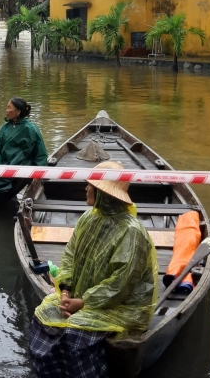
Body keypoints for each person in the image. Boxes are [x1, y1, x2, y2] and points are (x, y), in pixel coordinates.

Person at [28, 160, 158, 378]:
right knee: (43, 316)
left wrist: (84, 303)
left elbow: (121, 284)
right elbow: (70, 256)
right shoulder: (89, 218)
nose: (86, 188)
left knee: (74, 332)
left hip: (123, 306)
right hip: (84, 298)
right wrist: (67, 290)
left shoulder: (131, 232)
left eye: (92, 186)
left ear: (103, 193)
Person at [0, 97, 48, 195]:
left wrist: (38, 175)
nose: (6, 111)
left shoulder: (31, 129)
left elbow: (41, 154)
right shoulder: (4, 128)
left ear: (18, 111)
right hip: (2, 161)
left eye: (9, 108)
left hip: (20, 164)